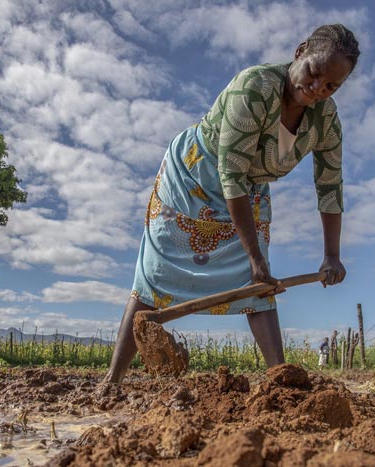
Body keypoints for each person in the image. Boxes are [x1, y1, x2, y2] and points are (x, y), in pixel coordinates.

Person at [106, 24, 359, 384]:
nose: (318, 88)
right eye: (315, 73)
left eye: (331, 85)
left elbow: (330, 185)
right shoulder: (254, 88)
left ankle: (280, 381)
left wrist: (331, 254)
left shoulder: (327, 120)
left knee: (259, 283)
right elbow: (231, 174)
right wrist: (253, 255)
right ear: (301, 51)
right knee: (154, 275)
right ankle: (111, 381)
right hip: (193, 176)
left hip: (248, 189)